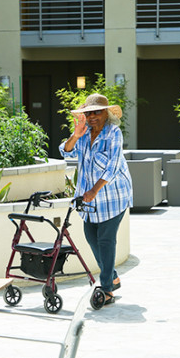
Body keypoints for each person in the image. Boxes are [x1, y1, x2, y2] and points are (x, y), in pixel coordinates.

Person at [59, 93, 133, 306]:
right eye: (88, 113)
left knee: (106, 240)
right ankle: (113, 276)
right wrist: (75, 134)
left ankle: (107, 289)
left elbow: (114, 165)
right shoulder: (84, 134)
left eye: (97, 112)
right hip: (88, 199)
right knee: (91, 236)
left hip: (113, 196)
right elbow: (66, 153)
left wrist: (94, 190)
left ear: (107, 113)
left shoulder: (113, 133)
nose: (92, 117)